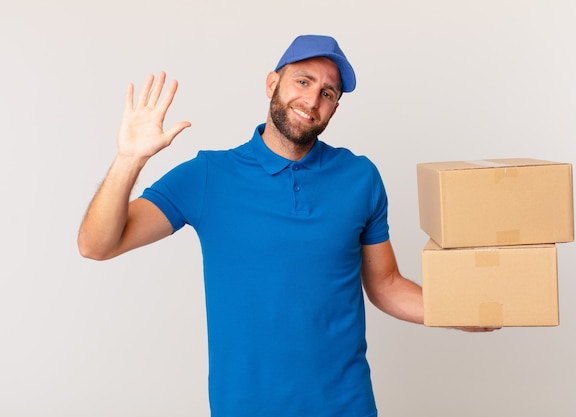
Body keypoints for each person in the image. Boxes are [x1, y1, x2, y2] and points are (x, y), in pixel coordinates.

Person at [78, 34, 494, 417]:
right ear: (271, 83)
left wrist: (459, 311)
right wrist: (129, 159)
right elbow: (96, 245)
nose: (312, 99)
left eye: (327, 92)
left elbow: (385, 285)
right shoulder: (208, 176)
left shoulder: (360, 177)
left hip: (346, 406)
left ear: (334, 106)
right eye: (302, 81)